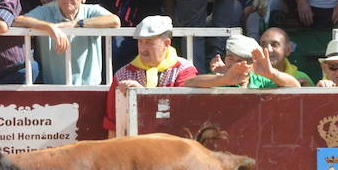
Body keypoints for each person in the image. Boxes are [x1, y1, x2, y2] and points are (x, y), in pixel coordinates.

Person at [103, 15, 245, 135]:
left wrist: (141, 95)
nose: (143, 49)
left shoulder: (183, 69)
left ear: (166, 43)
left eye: (149, 42)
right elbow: (112, 124)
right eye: (141, 42)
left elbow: (185, 106)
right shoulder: (122, 75)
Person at [15, 0, 120, 85]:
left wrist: (76, 24)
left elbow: (115, 21)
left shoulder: (91, 11)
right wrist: (49, 27)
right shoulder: (46, 11)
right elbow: (17, 20)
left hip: (90, 90)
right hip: (52, 90)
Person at [209, 32, 302, 89]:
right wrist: (223, 79)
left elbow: (295, 86)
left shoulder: (261, 82)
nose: (235, 64)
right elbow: (194, 82)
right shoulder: (219, 80)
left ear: (253, 64)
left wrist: (272, 73)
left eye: (242, 60)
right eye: (230, 58)